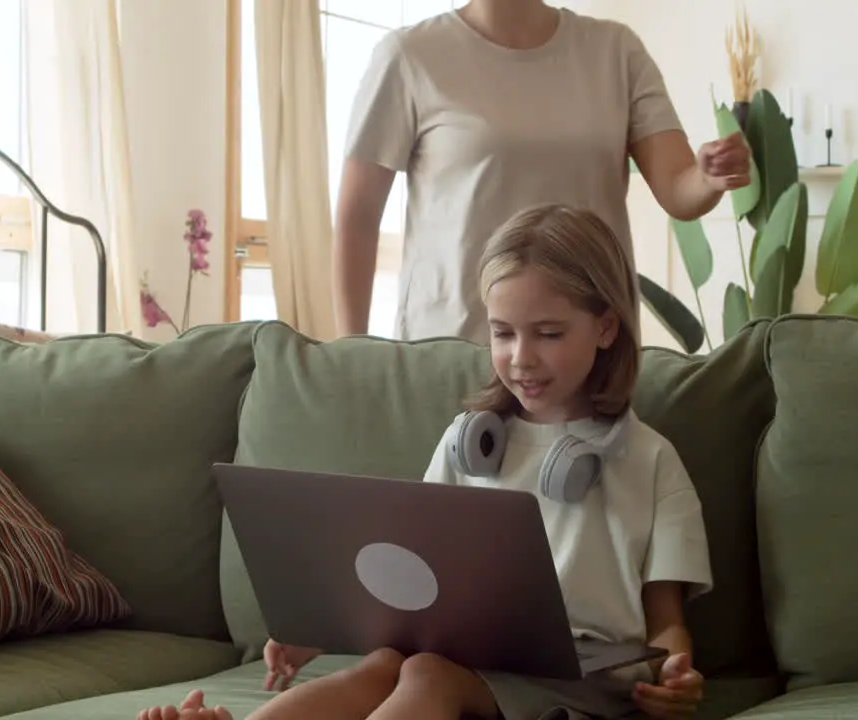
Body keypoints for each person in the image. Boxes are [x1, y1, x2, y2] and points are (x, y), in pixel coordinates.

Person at [136, 203, 714, 720]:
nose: (520, 358)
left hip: (588, 683)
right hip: (465, 658)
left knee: (425, 672)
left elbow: (665, 620)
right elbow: (412, 589)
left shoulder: (650, 460)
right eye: (503, 333)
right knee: (391, 660)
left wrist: (676, 672)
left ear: (607, 326)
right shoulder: (472, 443)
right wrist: (322, 635)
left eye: (548, 333)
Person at [333, 0, 751, 344]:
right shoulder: (409, 56)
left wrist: (708, 177)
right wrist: (350, 353)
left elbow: (679, 188)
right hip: (454, 350)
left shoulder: (617, 52)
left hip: (588, 357)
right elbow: (358, 215)